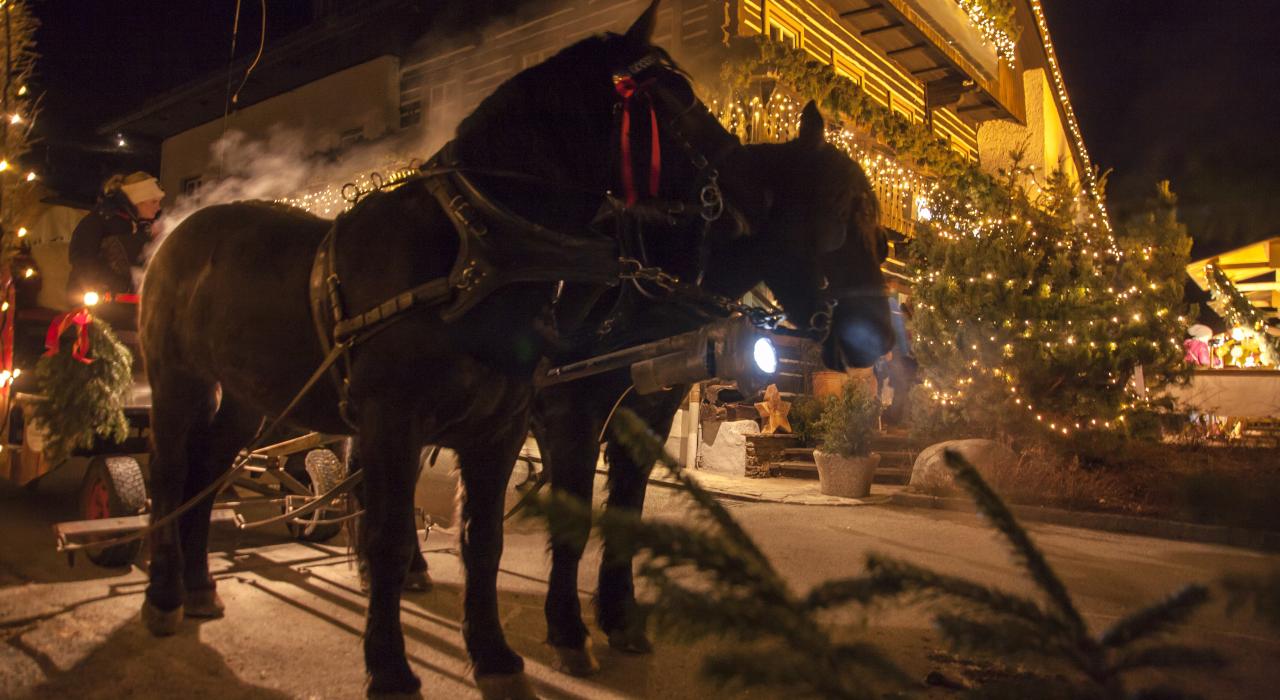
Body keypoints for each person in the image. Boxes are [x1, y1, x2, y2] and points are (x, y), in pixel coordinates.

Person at [66, 172, 164, 330]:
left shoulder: (140, 228)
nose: (158, 207)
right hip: (96, 303)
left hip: (125, 301)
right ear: (137, 200)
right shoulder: (97, 222)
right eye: (154, 201)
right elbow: (82, 260)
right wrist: (118, 284)